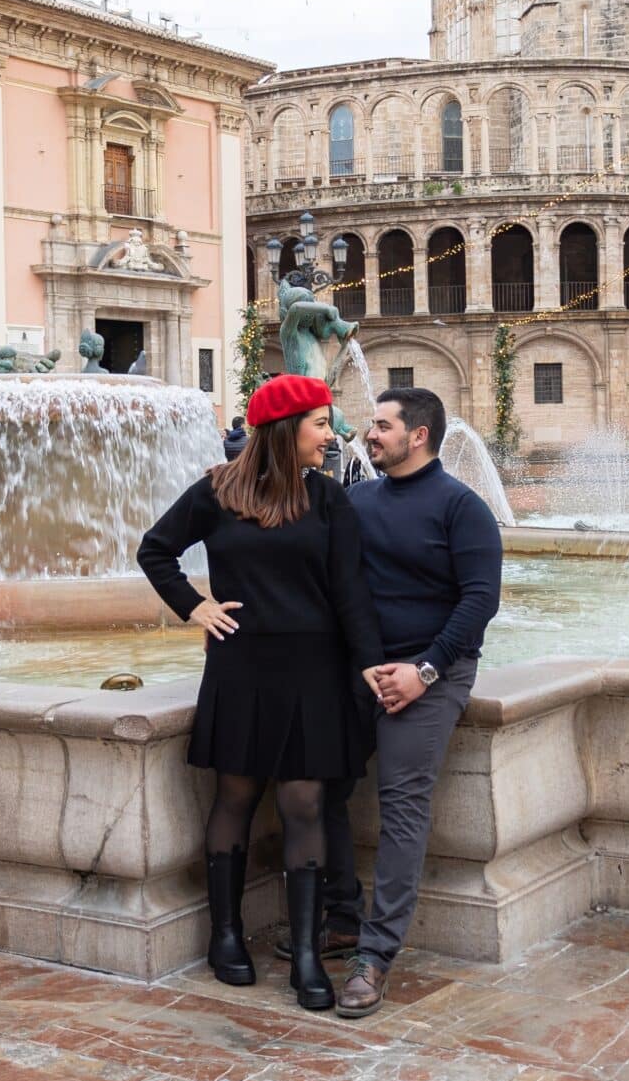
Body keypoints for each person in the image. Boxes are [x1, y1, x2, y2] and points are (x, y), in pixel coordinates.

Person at [137, 374, 384, 1011]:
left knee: (304, 802)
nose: (330, 436)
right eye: (320, 424)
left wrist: (369, 666)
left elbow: (351, 592)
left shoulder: (328, 497)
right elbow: (155, 551)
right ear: (284, 429)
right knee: (236, 796)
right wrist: (194, 607)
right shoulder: (216, 491)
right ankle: (224, 936)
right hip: (241, 667)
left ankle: (306, 956)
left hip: (314, 669)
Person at [331, 386, 502, 1018]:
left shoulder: (463, 508)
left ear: (419, 435)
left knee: (402, 806)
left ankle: (375, 956)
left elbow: (480, 600)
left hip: (434, 672)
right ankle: (341, 917)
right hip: (363, 669)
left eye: (381, 425)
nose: (369, 434)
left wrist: (424, 671)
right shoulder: (357, 500)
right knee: (316, 780)